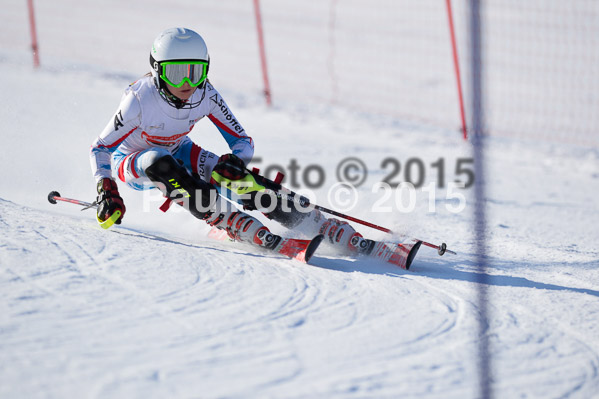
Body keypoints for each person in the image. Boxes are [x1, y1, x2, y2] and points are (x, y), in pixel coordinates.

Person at [90, 27, 372, 254]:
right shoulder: (139, 99)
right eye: (176, 73)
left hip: (178, 149)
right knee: (158, 161)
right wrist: (106, 188)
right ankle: (225, 217)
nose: (187, 83)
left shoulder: (206, 95)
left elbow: (242, 140)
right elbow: (100, 148)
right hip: (134, 161)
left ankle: (313, 222)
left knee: (237, 178)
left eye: (195, 72)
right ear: (157, 71)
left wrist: (236, 163)